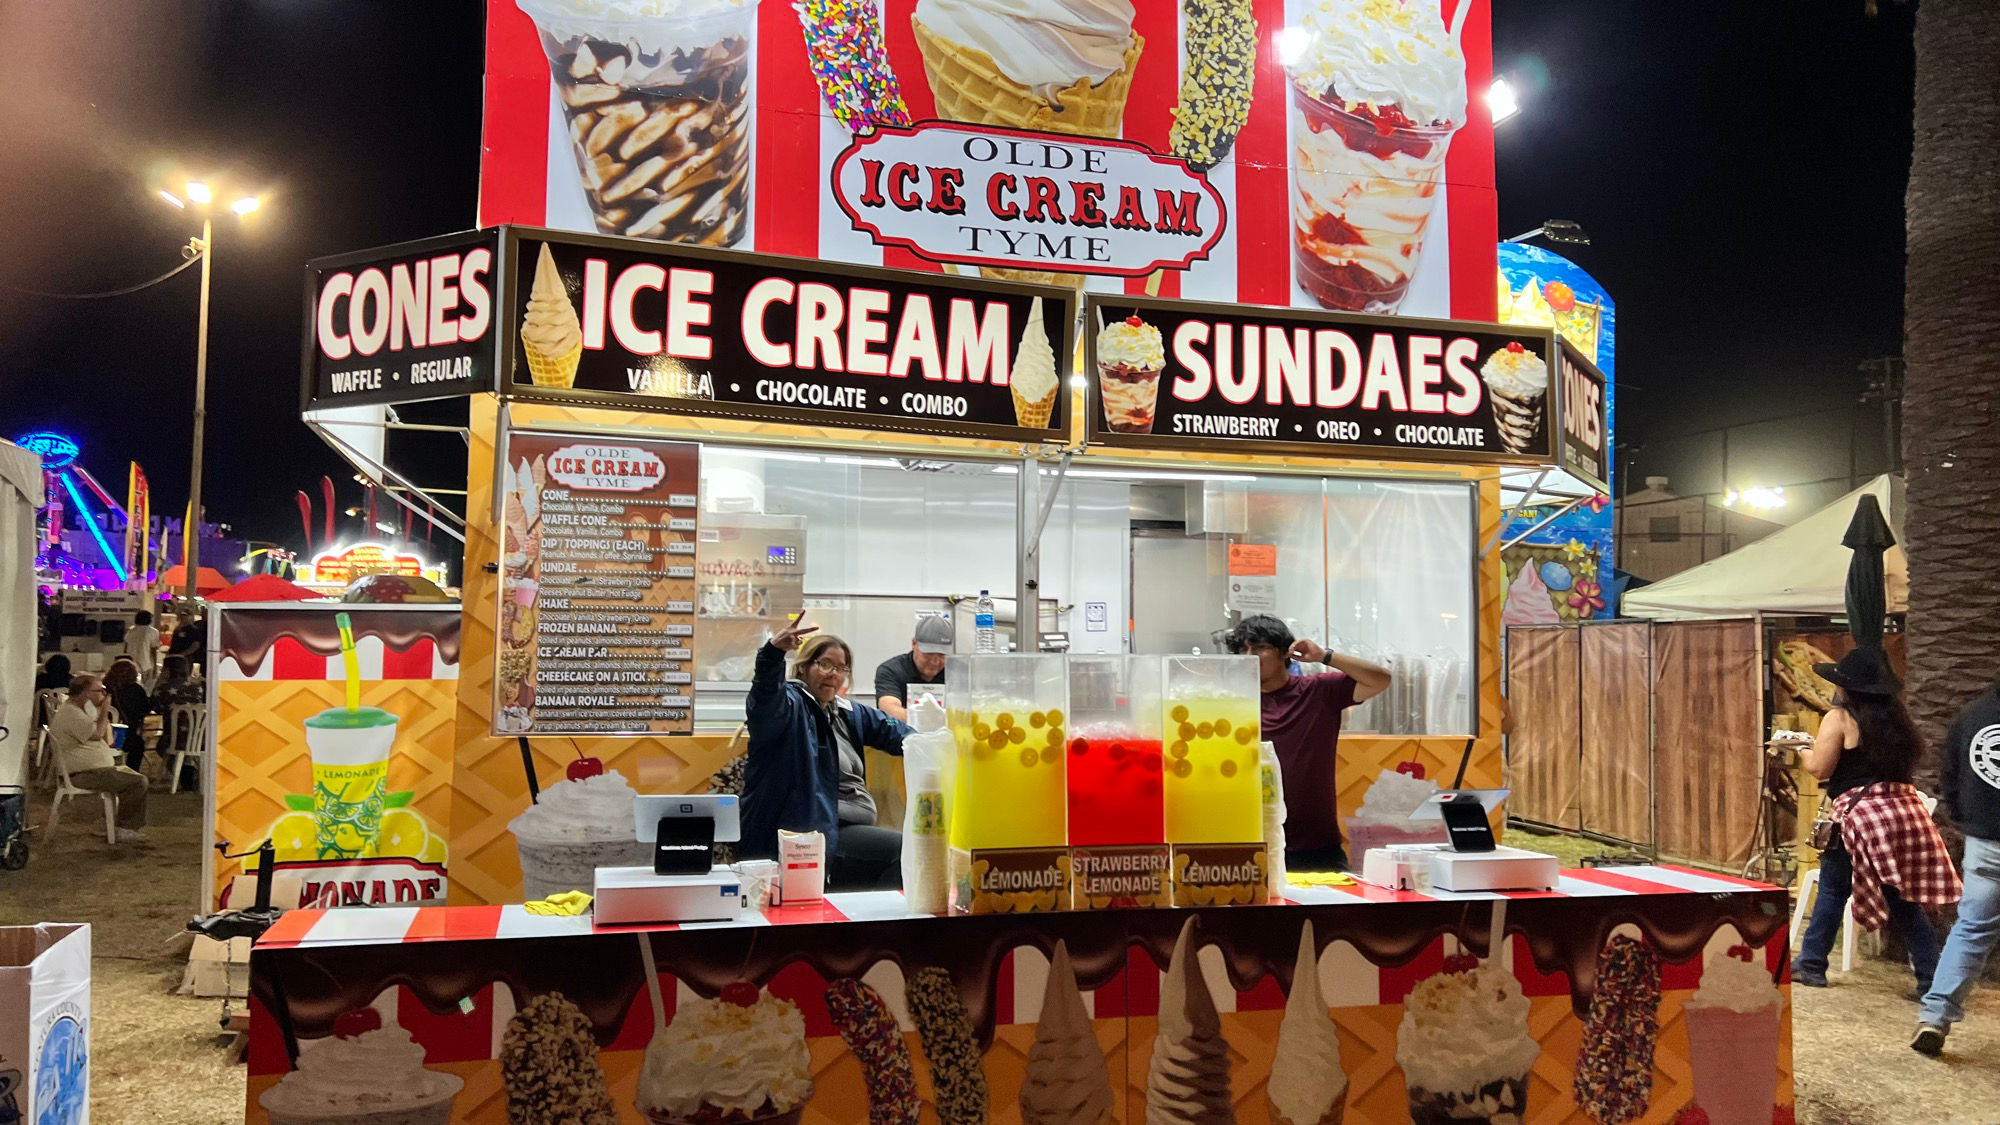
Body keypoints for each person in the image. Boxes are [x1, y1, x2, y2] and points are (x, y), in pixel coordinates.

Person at [1792, 648, 1956, 992]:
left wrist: (1801, 749)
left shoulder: (1840, 718)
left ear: (1847, 687)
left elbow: (1819, 767)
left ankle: (1811, 964)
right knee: (1902, 898)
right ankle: (1930, 978)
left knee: (1834, 888)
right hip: (1904, 814)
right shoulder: (1898, 720)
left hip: (1861, 818)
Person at [742, 615, 909, 889]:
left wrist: (931, 744)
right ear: (804, 668)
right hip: (812, 831)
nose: (835, 674)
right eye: (825, 664)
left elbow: (893, 731)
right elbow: (765, 700)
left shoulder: (847, 712)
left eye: (842, 668)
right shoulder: (790, 705)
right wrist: (773, 654)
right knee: (904, 853)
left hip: (846, 827)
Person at [1224, 614, 1392, 873]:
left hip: (1317, 848)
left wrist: (1324, 655)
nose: (1249, 656)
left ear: (1284, 652)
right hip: (1251, 845)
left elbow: (1380, 679)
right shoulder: (1229, 702)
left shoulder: (1319, 691)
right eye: (1242, 650)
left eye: (1259, 648)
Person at [1912, 679, 2000, 1056]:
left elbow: (1948, 776)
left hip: (1984, 843)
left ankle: (1935, 1018)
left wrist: (1967, 821)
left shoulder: (1972, 715)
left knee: (1970, 931)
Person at [46, 674, 148, 843]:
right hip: (84, 773)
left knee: (130, 777)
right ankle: (124, 827)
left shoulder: (78, 710)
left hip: (93, 769)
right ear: (86, 693)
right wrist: (106, 709)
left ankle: (107, 824)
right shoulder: (72, 713)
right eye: (100, 690)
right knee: (138, 782)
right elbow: (97, 734)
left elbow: (105, 738)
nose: (104, 694)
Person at [872, 616, 952, 723]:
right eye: (929, 653)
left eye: (942, 654)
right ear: (914, 644)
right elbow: (889, 710)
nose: (935, 661)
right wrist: (931, 721)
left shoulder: (957, 673)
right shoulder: (891, 670)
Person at [102, 659, 152, 772]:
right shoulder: (136, 690)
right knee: (138, 745)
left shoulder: (104, 689)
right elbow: (145, 708)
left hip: (103, 734)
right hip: (123, 736)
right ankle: (132, 771)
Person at [123, 611, 161, 685]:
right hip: (146, 664)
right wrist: (155, 667)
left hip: (131, 663)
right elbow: (153, 650)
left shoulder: (131, 630)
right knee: (146, 687)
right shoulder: (153, 632)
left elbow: (126, 647)